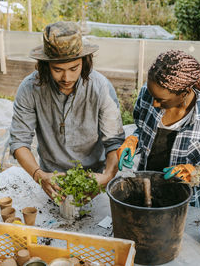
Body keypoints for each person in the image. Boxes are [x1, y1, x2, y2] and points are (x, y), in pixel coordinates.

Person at [10, 21, 125, 201]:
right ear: (45, 65)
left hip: (93, 178)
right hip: (50, 179)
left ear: (85, 62)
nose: (66, 78)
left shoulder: (101, 87)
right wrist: (38, 175)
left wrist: (108, 176)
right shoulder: (29, 89)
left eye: (74, 68)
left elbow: (114, 141)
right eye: (57, 70)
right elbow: (19, 141)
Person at [117, 50, 200, 208]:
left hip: (186, 204)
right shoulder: (148, 93)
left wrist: (194, 173)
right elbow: (141, 129)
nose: (154, 104)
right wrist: (133, 141)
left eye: (161, 100)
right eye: (153, 96)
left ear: (185, 93)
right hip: (145, 191)